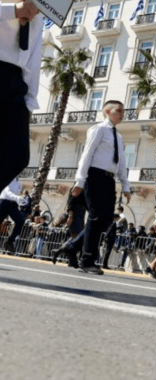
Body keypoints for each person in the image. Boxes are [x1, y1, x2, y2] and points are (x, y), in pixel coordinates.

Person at [72, 100, 131, 275]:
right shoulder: (98, 129)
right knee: (96, 217)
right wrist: (80, 181)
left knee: (106, 221)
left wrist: (125, 185)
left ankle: (71, 247)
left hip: (108, 179)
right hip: (94, 176)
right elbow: (87, 154)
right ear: (107, 111)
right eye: (118, 111)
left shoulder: (118, 136)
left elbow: (121, 162)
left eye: (123, 111)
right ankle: (86, 259)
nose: (122, 114)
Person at [0, 1, 41, 193]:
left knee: (18, 156)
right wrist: (13, 11)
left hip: (15, 80)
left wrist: (30, 102)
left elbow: (34, 55)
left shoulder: (37, 10)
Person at [0, 178, 24, 253]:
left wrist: (21, 200)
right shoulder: (9, 177)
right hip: (4, 202)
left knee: (20, 221)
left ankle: (10, 242)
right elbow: (7, 191)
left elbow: (17, 193)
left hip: (12, 203)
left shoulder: (19, 182)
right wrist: (17, 198)